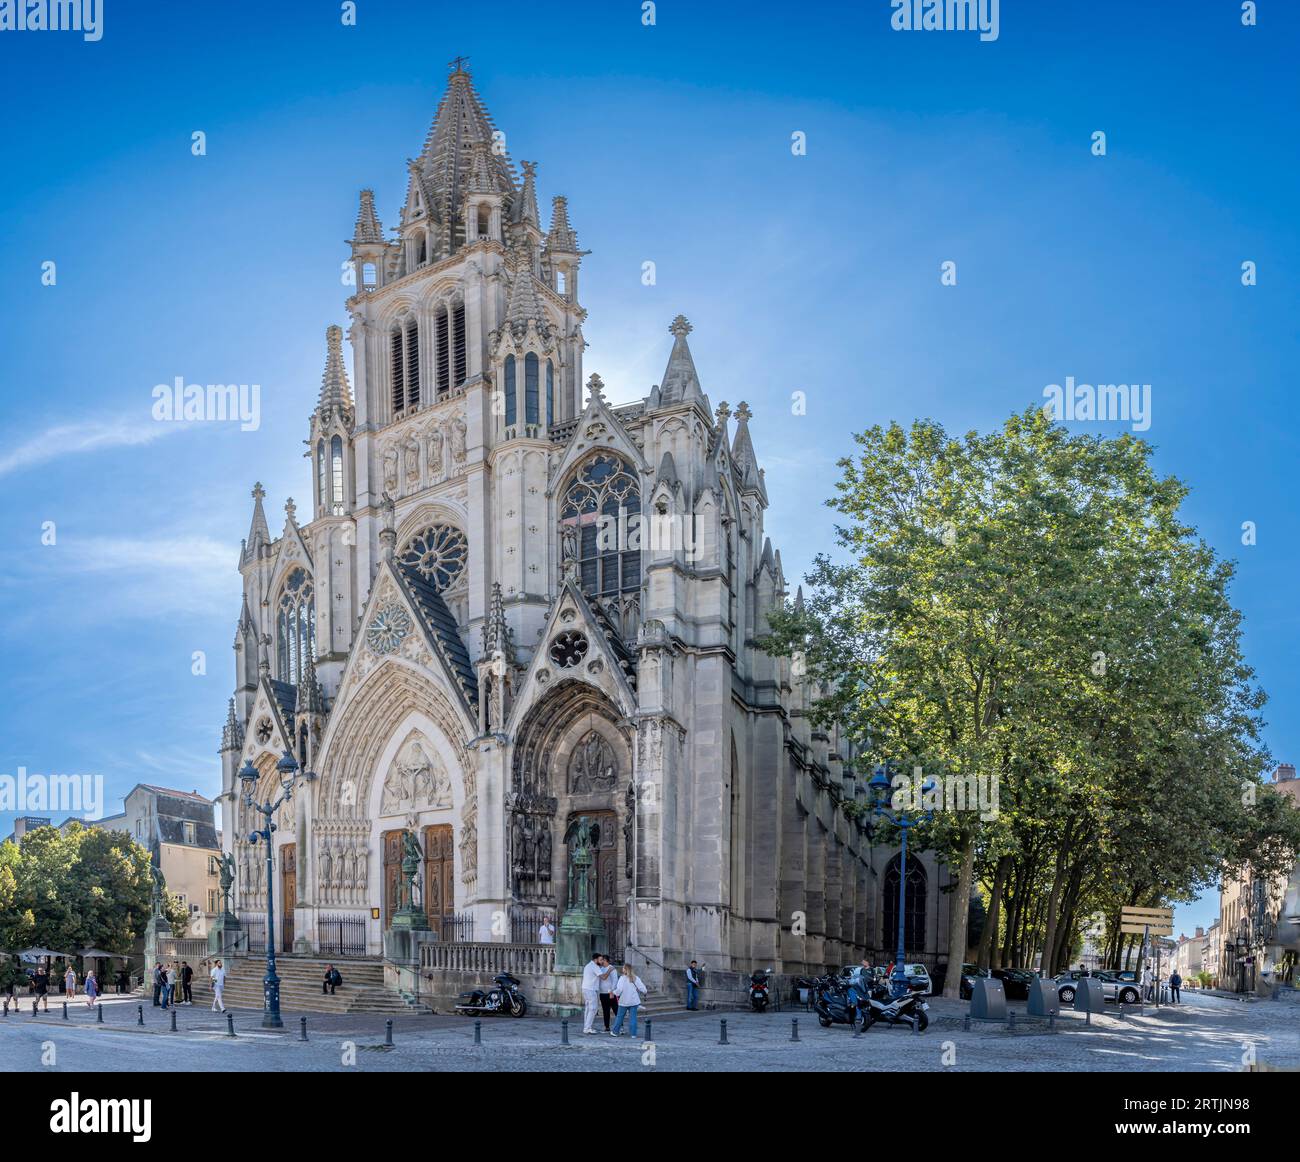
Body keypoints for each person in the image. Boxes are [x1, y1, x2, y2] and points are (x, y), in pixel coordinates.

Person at [610, 963, 647, 1037]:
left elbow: (619, 990)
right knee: (633, 1018)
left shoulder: (622, 978)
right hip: (634, 1001)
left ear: (625, 970)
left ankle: (615, 1032)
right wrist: (645, 991)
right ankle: (633, 1034)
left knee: (620, 1017)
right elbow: (642, 988)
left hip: (624, 1001)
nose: (622, 969)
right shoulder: (635, 978)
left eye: (623, 968)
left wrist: (613, 992)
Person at [580, 952, 611, 1035]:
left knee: (588, 1008)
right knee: (593, 1008)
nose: (601, 961)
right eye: (600, 960)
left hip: (585, 988)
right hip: (591, 989)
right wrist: (610, 970)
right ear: (595, 959)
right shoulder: (594, 966)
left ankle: (586, 1027)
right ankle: (587, 1028)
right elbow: (604, 977)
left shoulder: (588, 965)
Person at [596, 954, 619, 1031]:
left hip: (611, 994)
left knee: (616, 1010)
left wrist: (612, 991)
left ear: (606, 960)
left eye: (603, 960)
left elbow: (615, 981)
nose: (601, 961)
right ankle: (607, 1027)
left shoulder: (612, 969)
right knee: (605, 1011)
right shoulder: (600, 969)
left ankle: (620, 1026)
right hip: (602, 994)